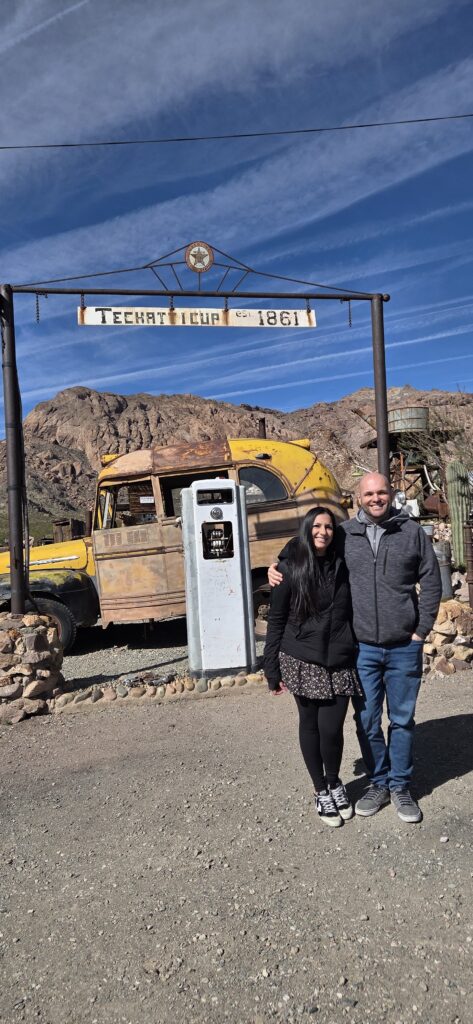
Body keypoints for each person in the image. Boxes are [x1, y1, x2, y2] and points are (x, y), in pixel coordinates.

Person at [268, 473, 442, 825]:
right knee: (366, 721)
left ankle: (401, 786)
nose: (376, 498)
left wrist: (421, 630)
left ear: (391, 494)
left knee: (403, 720)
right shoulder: (345, 532)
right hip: (361, 648)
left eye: (381, 492)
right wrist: (277, 563)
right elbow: (306, 541)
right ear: (358, 497)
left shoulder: (411, 532)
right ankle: (378, 782)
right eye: (369, 493)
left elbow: (432, 579)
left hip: (403, 646)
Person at [264, 506, 362, 828]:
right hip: (302, 659)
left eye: (329, 527)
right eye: (317, 526)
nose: (323, 531)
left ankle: (334, 782)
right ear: (307, 529)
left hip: (339, 657)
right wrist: (271, 668)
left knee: (332, 729)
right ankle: (320, 789)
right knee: (310, 724)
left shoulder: (343, 563)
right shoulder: (289, 568)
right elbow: (276, 620)